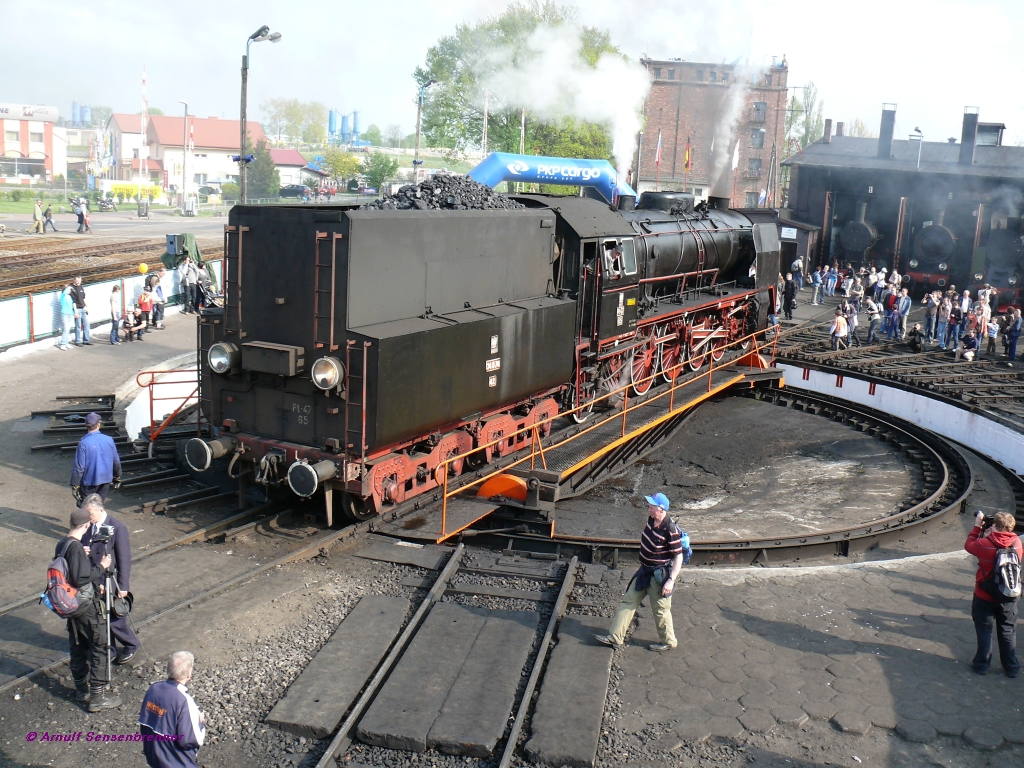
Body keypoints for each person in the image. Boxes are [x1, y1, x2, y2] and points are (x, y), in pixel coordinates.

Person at [595, 493, 683, 651]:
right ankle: (615, 637)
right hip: (644, 572)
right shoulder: (652, 520)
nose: (648, 509)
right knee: (629, 601)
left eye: (651, 507)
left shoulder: (671, 529)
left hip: (658, 576)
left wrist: (670, 580)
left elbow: (678, 556)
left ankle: (669, 642)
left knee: (661, 610)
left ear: (661, 510)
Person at [58, 505, 121, 711]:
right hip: (86, 606)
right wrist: (102, 566)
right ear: (86, 525)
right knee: (99, 647)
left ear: (70, 524)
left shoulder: (63, 544)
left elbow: (72, 571)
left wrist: (83, 556)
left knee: (77, 646)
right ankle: (97, 698)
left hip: (71, 605)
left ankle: (80, 690)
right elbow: (81, 577)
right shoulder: (75, 547)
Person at [82, 494, 140, 665]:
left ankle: (131, 644)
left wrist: (123, 586)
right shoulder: (88, 526)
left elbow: (124, 559)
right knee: (100, 618)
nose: (88, 518)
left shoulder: (117, 527)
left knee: (115, 618)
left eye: (90, 514)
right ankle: (110, 649)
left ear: (101, 510)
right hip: (93, 579)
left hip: (110, 581)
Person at [965, 511, 1021, 677]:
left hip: (985, 595)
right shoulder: (1017, 543)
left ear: (994, 525)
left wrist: (978, 527)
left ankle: (982, 665)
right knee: (1008, 631)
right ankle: (1011, 667)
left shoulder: (984, 543)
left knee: (984, 630)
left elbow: (969, 545)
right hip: (1009, 595)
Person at [139, 651, 207, 767]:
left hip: (154, 757)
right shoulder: (184, 700)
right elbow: (191, 740)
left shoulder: (153, 688)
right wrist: (198, 721)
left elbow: (146, 721)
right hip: (177, 762)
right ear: (188, 674)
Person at [71, 412, 121, 504]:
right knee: (98, 506)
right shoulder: (109, 439)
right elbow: (115, 460)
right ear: (98, 425)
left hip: (88, 481)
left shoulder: (83, 443)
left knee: (86, 508)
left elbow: (79, 467)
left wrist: (75, 485)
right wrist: (117, 476)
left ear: (86, 426)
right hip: (105, 480)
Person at [68, 275, 91, 346]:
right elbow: (73, 302)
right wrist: (75, 312)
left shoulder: (81, 287)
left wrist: (87, 307)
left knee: (86, 325)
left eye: (79, 281)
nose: (78, 282)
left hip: (83, 308)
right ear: (74, 280)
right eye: (77, 281)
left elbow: (83, 298)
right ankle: (77, 341)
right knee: (78, 326)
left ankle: (86, 340)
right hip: (77, 309)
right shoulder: (72, 288)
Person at [58, 284, 76, 351]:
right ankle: (62, 344)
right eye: (68, 289)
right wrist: (68, 287)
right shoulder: (63, 295)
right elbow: (65, 292)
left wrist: (74, 313)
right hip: (64, 313)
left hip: (70, 314)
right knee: (66, 328)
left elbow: (72, 305)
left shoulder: (70, 296)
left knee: (68, 329)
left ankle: (66, 343)